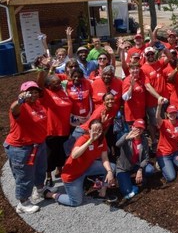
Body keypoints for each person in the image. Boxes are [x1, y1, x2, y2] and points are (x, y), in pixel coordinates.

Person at [43, 120, 117, 206]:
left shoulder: (102, 139)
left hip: (87, 167)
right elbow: (74, 155)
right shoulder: (83, 139)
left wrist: (109, 171)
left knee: (111, 167)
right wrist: (90, 141)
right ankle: (50, 194)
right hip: (73, 175)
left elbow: (104, 158)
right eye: (94, 130)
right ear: (89, 130)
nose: (97, 132)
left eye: (99, 130)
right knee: (75, 202)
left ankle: (102, 192)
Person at [4, 81, 49, 213]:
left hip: (39, 144)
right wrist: (20, 101)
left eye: (35, 92)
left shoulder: (38, 104)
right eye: (30, 92)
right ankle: (23, 202)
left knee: (40, 169)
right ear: (23, 93)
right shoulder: (21, 106)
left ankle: (40, 189)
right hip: (22, 148)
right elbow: (14, 109)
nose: (33, 95)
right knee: (25, 175)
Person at [36, 72, 73, 188]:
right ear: (48, 86)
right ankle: (48, 176)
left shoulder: (63, 91)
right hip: (51, 131)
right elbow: (39, 85)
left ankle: (60, 169)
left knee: (61, 152)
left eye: (59, 83)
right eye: (55, 84)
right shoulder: (46, 94)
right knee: (50, 155)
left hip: (65, 129)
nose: (58, 85)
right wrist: (42, 70)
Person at [116, 119, 155, 200]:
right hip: (124, 167)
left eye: (141, 128)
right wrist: (126, 138)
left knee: (150, 170)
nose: (138, 130)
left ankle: (137, 178)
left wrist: (140, 170)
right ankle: (132, 184)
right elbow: (117, 144)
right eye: (136, 127)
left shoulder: (144, 140)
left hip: (136, 165)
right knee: (127, 192)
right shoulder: (126, 136)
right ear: (132, 127)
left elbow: (146, 158)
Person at [156, 103, 178, 182]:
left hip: (175, 153)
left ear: (177, 113)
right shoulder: (164, 123)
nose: (172, 114)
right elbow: (157, 117)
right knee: (171, 177)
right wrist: (159, 106)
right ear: (167, 114)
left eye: (174, 112)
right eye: (170, 113)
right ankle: (161, 164)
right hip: (164, 154)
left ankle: (170, 165)